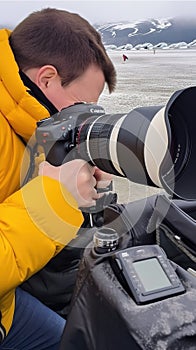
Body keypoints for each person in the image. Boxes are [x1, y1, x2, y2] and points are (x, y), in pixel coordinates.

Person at [0, 7, 116, 349]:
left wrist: (97, 197)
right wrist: (54, 198)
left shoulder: (31, 130)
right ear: (47, 79)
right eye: (83, 105)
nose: (86, 119)